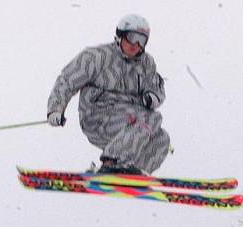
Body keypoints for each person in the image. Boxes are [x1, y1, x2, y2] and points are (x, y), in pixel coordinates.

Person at [47, 14, 170, 175]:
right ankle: (113, 161)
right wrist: (55, 110)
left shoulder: (146, 64)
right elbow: (67, 81)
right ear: (120, 36)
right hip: (98, 117)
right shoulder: (97, 57)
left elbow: (157, 88)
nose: (136, 45)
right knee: (151, 118)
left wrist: (151, 98)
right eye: (132, 38)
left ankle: (133, 172)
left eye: (142, 40)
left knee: (161, 138)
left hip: (129, 125)